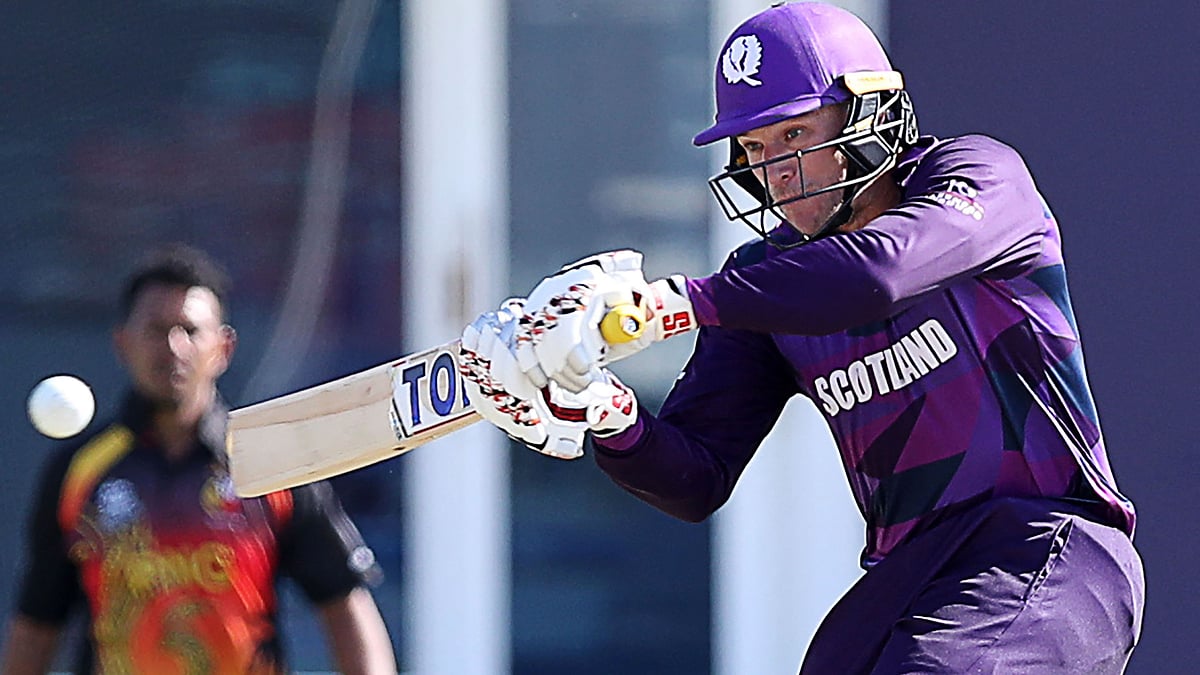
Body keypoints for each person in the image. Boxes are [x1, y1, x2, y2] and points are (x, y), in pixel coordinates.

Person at [458, 2, 1144, 673]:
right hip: (909, 577)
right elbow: (694, 478)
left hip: (1046, 548)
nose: (776, 169)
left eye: (794, 135)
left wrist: (672, 303)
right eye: (755, 148)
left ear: (869, 114)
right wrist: (606, 412)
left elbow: (879, 272)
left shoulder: (979, 177)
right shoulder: (762, 279)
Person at [1, 244, 396, 674]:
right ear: (122, 343)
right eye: (156, 330)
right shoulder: (80, 473)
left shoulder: (268, 460)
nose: (174, 347)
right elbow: (37, 624)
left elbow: (343, 601)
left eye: (189, 330)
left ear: (223, 348)